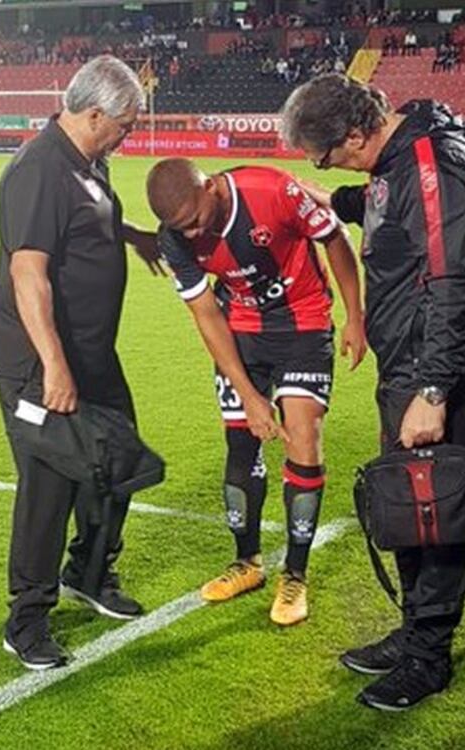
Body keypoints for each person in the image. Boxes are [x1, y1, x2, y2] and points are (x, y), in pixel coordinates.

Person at [280, 74, 465, 711]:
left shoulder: (433, 163)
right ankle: (414, 634)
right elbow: (390, 204)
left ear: (357, 134)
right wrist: (341, 198)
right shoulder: (401, 158)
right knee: (410, 509)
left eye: (326, 156)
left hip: (438, 372)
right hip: (408, 362)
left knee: (434, 516)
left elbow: (452, 282)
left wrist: (433, 389)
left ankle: (429, 658)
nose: (325, 164)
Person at [0, 55, 164, 671]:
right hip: (40, 362)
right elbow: (27, 273)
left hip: (92, 356)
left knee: (119, 462)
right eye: (126, 124)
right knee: (49, 485)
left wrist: (133, 236)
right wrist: (54, 366)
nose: (130, 134)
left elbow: (88, 224)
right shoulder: (38, 170)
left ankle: (89, 573)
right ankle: (27, 619)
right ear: (94, 115)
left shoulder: (88, 162)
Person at [145, 157, 367, 626]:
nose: (189, 235)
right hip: (240, 328)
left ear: (211, 189)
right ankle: (247, 563)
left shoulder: (272, 191)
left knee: (302, 439)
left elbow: (335, 238)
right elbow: (206, 315)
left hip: (303, 323)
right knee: (240, 444)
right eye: (178, 229)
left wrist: (354, 315)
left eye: (194, 222)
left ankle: (296, 576)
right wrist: (248, 394)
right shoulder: (173, 237)